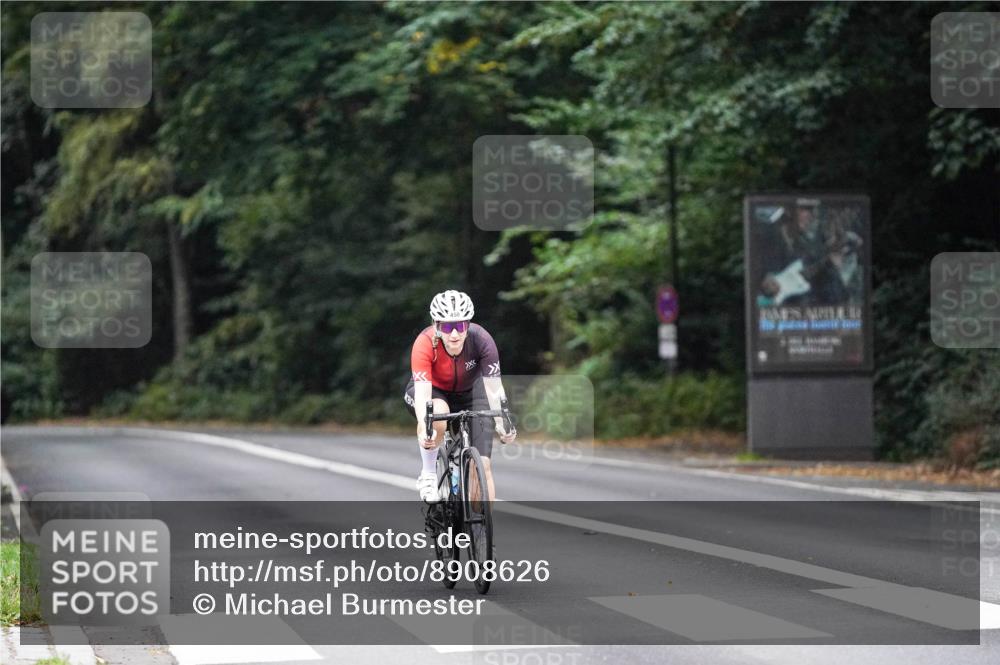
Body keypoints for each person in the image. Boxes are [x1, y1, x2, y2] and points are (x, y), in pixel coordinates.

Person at [403, 290, 516, 503]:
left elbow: (494, 389)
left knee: (482, 468)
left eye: (461, 326)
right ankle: (428, 474)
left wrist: (503, 423)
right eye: (447, 327)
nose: (454, 334)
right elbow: (423, 395)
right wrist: (426, 428)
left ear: (468, 325)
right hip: (433, 392)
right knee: (438, 415)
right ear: (436, 325)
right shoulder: (424, 343)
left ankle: (483, 524)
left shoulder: (482, 340)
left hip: (471, 394)